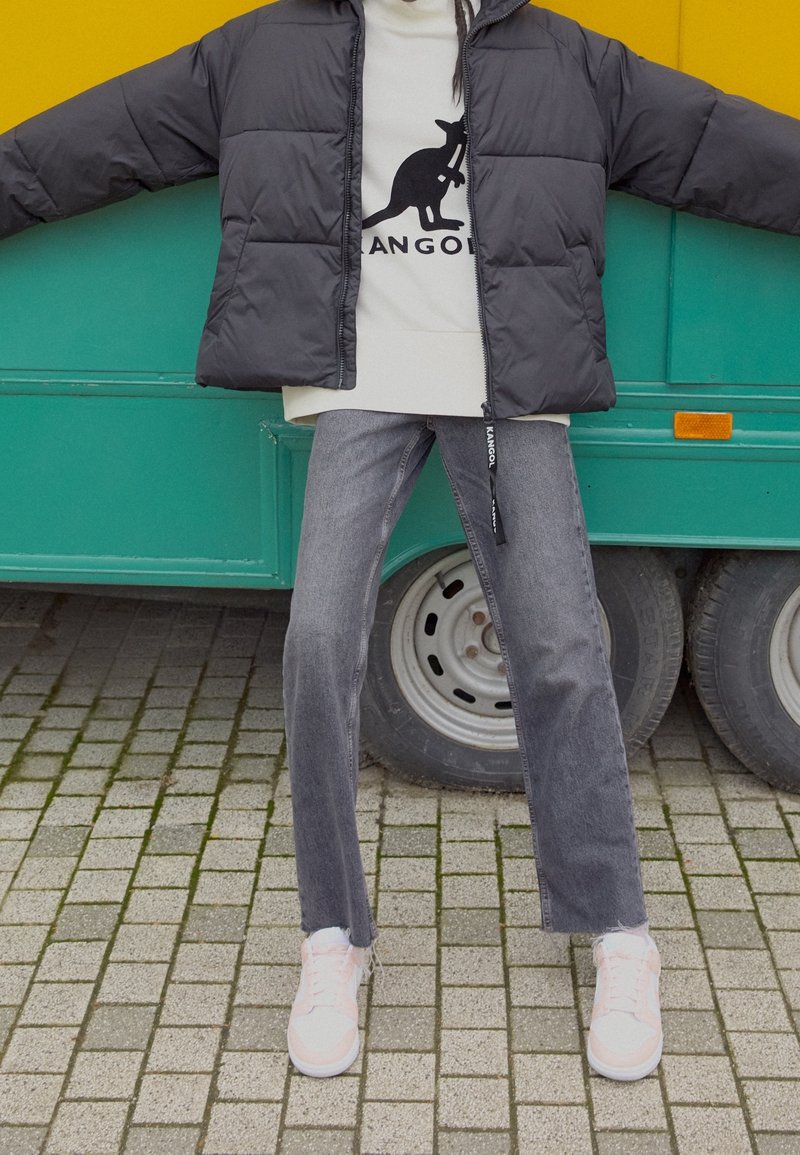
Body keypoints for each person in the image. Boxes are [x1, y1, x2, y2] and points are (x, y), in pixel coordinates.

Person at [2, 0, 798, 1089]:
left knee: (564, 650)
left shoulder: (557, 54)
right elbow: (105, 138)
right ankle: (331, 938)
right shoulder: (270, 45)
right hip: (361, 383)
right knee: (319, 642)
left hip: (506, 388)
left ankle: (619, 932)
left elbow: (716, 146)